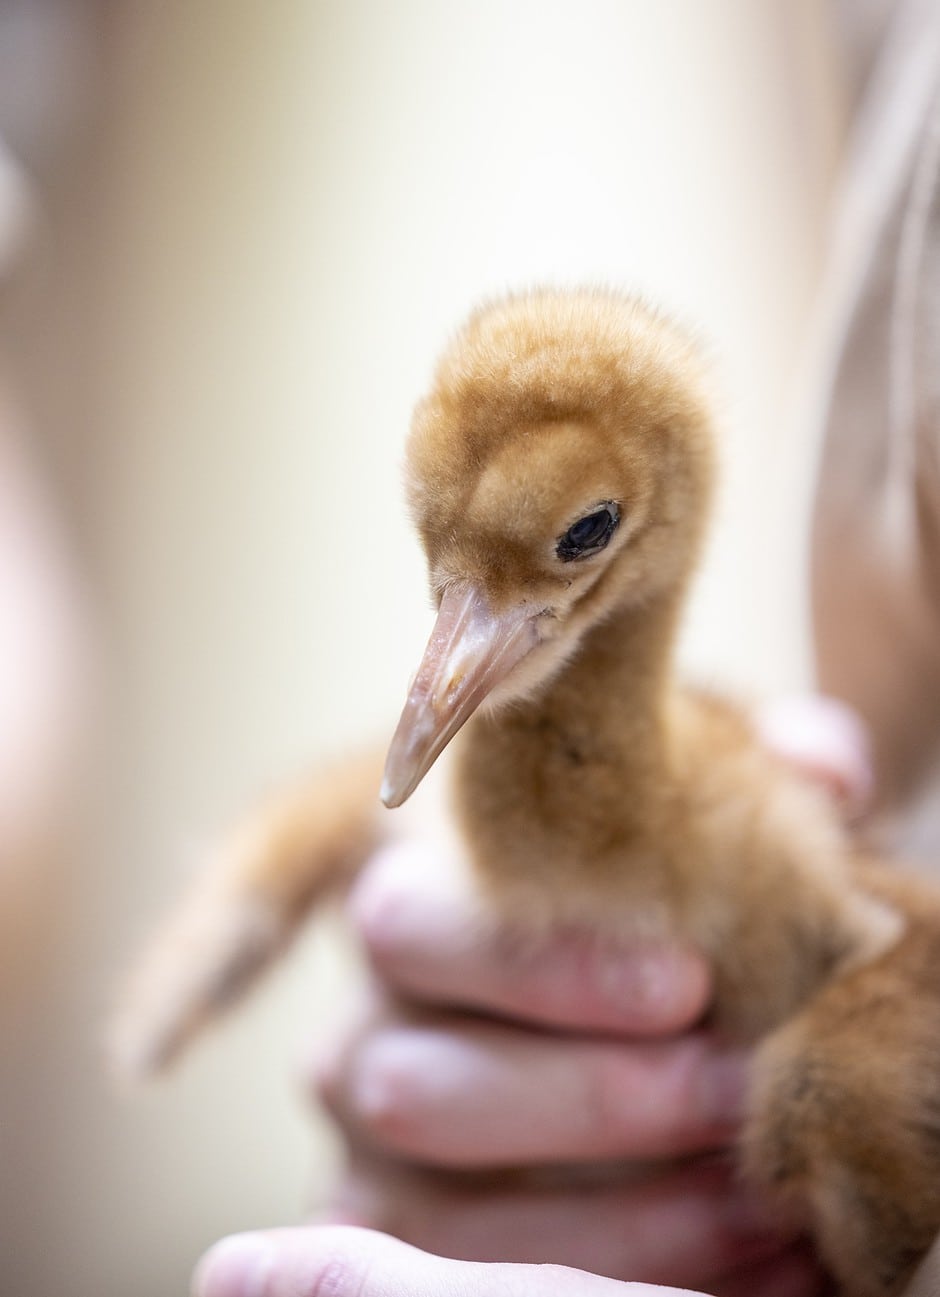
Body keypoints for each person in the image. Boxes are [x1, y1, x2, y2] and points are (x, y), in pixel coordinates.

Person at [194, 2, 940, 1294]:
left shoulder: (754, 835)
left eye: (577, 532)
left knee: (827, 1096)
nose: (450, 662)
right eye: (446, 567)